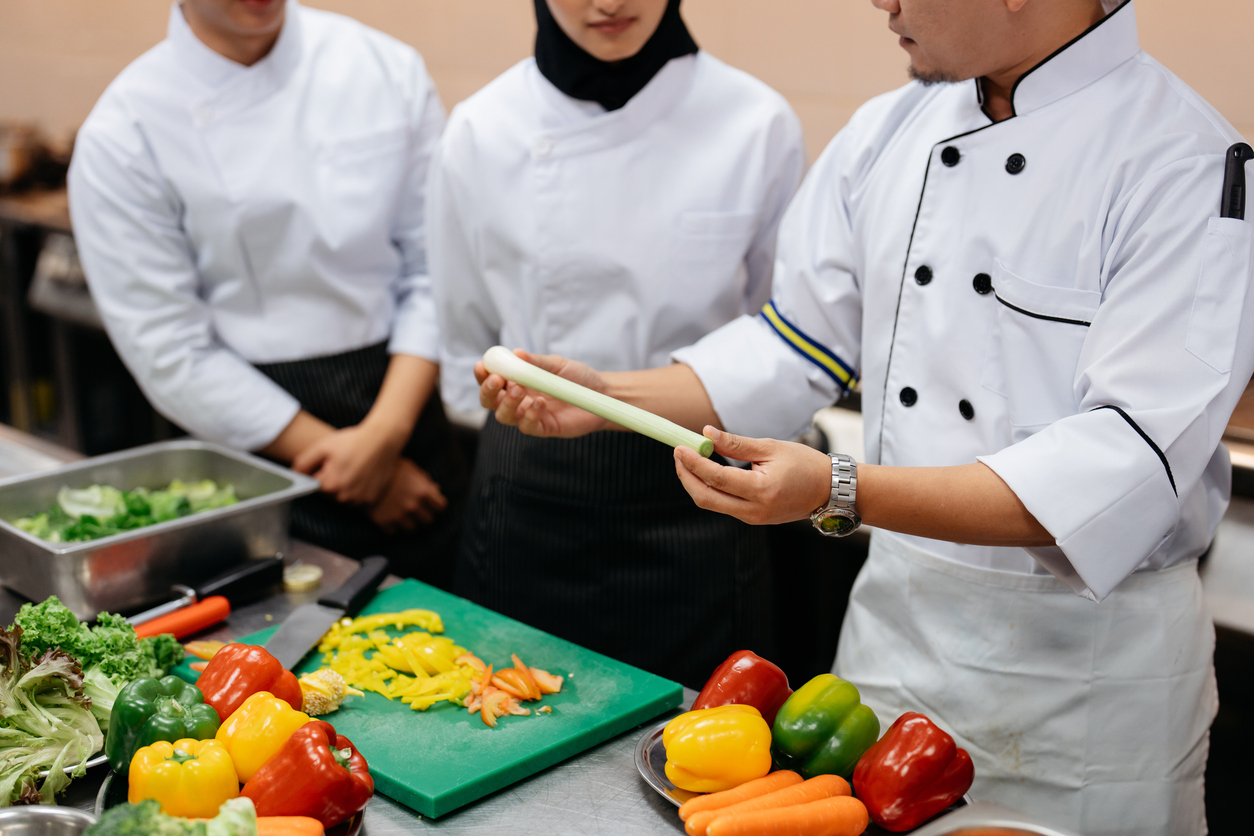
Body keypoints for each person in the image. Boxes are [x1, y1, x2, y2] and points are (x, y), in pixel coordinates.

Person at [477, 0, 1254, 832]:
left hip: (1082, 684)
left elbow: (1115, 468)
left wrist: (838, 489)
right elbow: (794, 344)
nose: (879, 0)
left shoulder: (1185, 163)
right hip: (890, 644)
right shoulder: (891, 130)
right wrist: (602, 401)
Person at [430, 0, 805, 686]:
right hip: (528, 484)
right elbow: (462, 333)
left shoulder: (756, 122)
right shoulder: (482, 128)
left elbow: (780, 341)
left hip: (700, 482)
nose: (608, 3)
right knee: (507, 730)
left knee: (699, 749)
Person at [68, 0, 466, 584]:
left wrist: (384, 437)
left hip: (406, 414)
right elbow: (171, 350)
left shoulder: (383, 67)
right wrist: (360, 468)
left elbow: (434, 268)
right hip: (250, 447)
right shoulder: (125, 131)